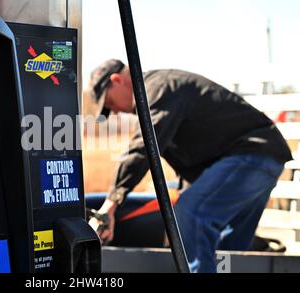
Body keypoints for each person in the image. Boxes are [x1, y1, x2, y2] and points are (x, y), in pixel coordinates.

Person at [87, 59, 293, 273]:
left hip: (252, 155)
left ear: (117, 80)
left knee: (189, 216)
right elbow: (196, 159)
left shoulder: (158, 89)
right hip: (263, 158)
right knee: (227, 247)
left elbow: (144, 149)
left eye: (111, 103)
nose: (117, 112)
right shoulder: (161, 90)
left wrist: (110, 204)